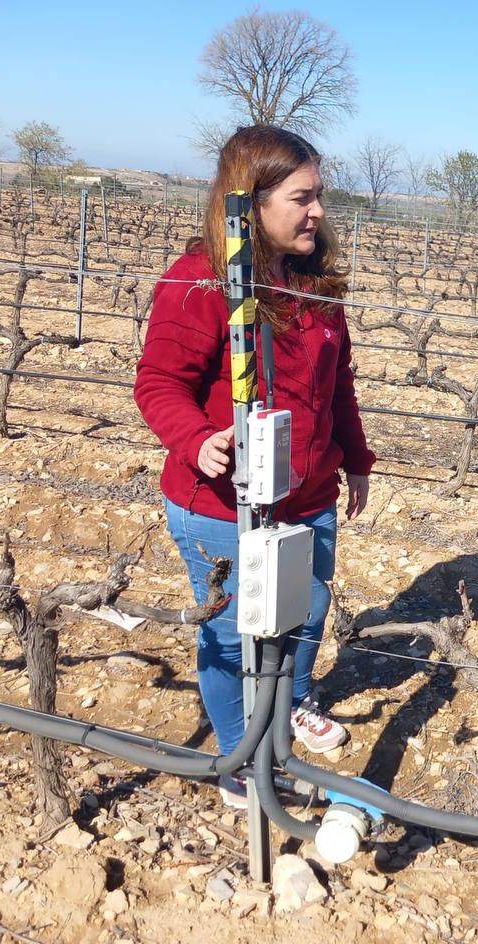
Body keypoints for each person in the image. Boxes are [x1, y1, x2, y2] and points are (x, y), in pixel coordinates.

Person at [134, 125, 375, 808]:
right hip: (220, 502)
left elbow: (339, 385)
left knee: (307, 608)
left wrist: (355, 459)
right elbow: (158, 383)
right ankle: (242, 759)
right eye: (302, 197)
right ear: (252, 201)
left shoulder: (315, 282)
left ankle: (293, 702)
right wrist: (195, 438)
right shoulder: (198, 281)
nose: (318, 211)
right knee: (231, 633)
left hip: (308, 492)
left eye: (319, 195)